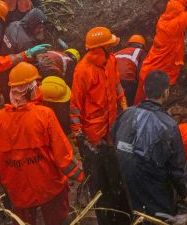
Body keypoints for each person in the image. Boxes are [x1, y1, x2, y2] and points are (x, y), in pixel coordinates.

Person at [0, 62, 84, 225]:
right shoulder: (44, 115)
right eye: (37, 84)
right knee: (58, 220)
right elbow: (63, 155)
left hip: (17, 188)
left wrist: (1, 181)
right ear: (30, 88)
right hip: (48, 186)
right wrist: (82, 176)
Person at [71, 26, 130, 225]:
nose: (113, 47)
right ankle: (105, 216)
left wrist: (122, 100)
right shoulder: (82, 71)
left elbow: (116, 84)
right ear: (100, 48)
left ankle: (121, 210)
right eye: (110, 45)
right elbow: (75, 107)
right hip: (93, 135)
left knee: (116, 173)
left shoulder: (110, 61)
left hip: (110, 128)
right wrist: (79, 135)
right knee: (98, 180)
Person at [113, 70, 187, 216]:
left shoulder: (126, 114)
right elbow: (177, 168)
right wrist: (184, 193)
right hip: (153, 195)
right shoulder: (169, 126)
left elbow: (114, 141)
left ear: (144, 89)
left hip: (123, 187)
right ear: (166, 92)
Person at [115, 35, 148, 105]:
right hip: (127, 82)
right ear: (142, 46)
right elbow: (143, 71)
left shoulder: (117, 53)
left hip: (112, 83)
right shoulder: (141, 52)